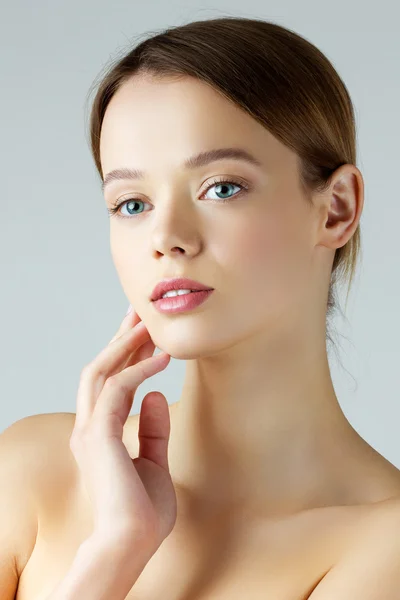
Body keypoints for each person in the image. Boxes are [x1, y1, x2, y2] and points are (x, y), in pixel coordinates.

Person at [2, 15, 400, 600]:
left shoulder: (384, 546)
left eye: (221, 187)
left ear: (336, 209)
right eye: (132, 203)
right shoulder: (31, 470)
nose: (167, 236)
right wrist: (116, 548)